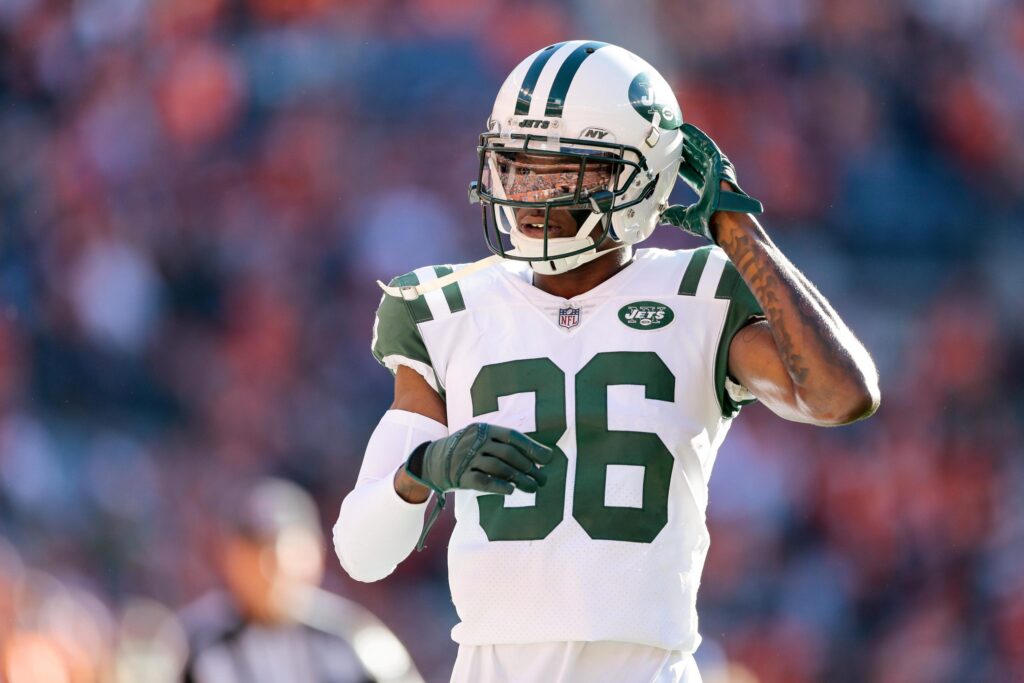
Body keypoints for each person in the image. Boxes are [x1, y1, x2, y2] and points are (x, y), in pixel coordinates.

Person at [333, 40, 880, 683]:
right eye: (515, 165)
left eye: (562, 173)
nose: (529, 193)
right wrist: (423, 469)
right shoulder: (443, 306)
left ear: (640, 179)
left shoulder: (699, 291)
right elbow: (362, 553)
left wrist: (738, 228)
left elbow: (840, 397)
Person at [181, 478, 422, 683]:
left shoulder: (354, 640)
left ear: (314, 553)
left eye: (278, 554)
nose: (266, 570)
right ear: (229, 559)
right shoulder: (193, 645)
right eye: (253, 554)